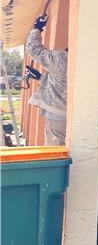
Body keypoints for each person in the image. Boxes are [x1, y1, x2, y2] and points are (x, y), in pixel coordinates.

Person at [25, 12, 68, 146]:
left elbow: (33, 48)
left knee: (55, 151)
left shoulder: (61, 59)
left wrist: (37, 28)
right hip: (80, 114)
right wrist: (40, 76)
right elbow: (63, 82)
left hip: (58, 115)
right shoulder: (88, 62)